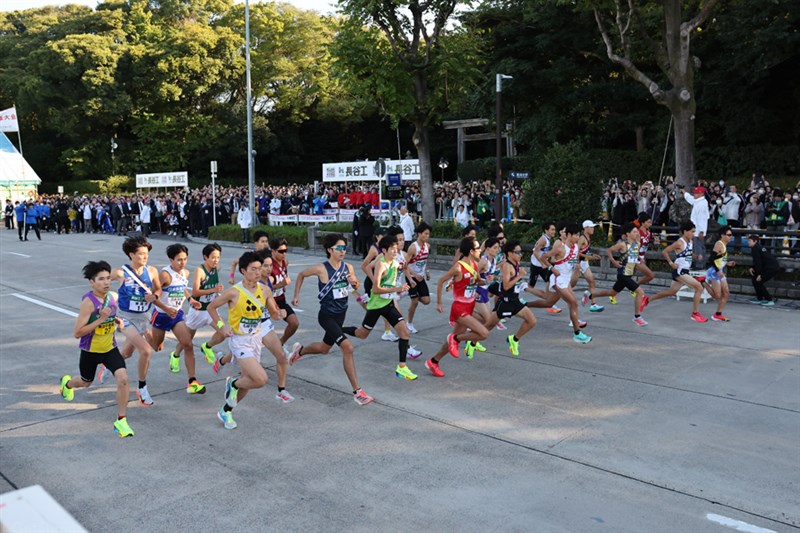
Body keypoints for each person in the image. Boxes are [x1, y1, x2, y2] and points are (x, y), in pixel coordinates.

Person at [289, 234, 375, 405]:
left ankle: (300, 351)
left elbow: (356, 286)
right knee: (348, 347)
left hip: (341, 315)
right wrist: (296, 295)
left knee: (323, 348)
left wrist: (354, 283)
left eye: (345, 248)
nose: (343, 251)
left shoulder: (348, 267)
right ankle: (358, 392)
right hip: (327, 316)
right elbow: (301, 275)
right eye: (339, 248)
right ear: (330, 250)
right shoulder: (322, 268)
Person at [60, 261, 133, 438]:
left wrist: (116, 321)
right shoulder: (88, 303)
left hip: (110, 349)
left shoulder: (113, 297)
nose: (106, 282)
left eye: (108, 278)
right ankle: (67, 384)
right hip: (90, 351)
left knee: (123, 379)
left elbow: (110, 315)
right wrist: (101, 319)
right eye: (101, 279)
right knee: (86, 382)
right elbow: (77, 332)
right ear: (92, 282)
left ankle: (121, 421)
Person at [206, 252, 270, 430]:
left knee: (248, 381)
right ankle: (232, 383)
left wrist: (278, 313)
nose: (258, 273)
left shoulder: (265, 290)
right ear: (243, 270)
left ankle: (226, 411)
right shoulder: (234, 292)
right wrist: (221, 326)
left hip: (256, 338)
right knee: (261, 379)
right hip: (239, 340)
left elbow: (272, 311)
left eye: (260, 269)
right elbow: (211, 307)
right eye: (254, 269)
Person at [345, 235, 416, 380]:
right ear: (384, 250)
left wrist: (402, 288)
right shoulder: (381, 264)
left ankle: (402, 367)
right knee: (362, 334)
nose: (395, 252)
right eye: (392, 249)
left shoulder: (395, 263)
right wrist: (396, 289)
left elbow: (391, 283)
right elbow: (376, 289)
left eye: (397, 249)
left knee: (405, 332)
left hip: (388, 304)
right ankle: (337, 329)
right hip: (377, 305)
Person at [425, 237, 490, 378]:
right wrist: (439, 303)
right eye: (478, 248)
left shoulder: (474, 264)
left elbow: (475, 282)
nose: (480, 250)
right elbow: (441, 281)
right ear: (471, 251)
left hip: (470, 307)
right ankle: (455, 339)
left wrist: (484, 281)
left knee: (453, 340)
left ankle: (433, 361)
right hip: (459, 309)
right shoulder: (458, 267)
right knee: (484, 333)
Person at [109, 236, 161, 405]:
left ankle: (108, 364)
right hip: (125, 318)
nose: (145, 257)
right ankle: (142, 387)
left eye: (146, 254)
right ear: (131, 255)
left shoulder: (151, 271)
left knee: (127, 353)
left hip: (143, 319)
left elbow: (158, 289)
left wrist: (155, 296)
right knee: (146, 351)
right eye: (141, 254)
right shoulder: (120, 273)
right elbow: (101, 280)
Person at [148, 244, 205, 394]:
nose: (183, 263)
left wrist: (191, 299)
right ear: (171, 260)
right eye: (179, 260)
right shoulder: (165, 275)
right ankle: (145, 334)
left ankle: (192, 381)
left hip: (177, 315)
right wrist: (166, 309)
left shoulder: (185, 273)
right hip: (161, 314)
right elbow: (153, 296)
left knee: (188, 344)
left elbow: (183, 288)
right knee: (157, 347)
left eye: (185, 259)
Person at [641, 221, 708, 322]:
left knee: (671, 292)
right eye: (692, 232)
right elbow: (665, 251)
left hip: (685, 271)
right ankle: (695, 314)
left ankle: (647, 299)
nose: (693, 234)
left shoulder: (690, 242)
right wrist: (671, 263)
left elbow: (688, 255)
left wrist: (696, 256)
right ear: (685, 231)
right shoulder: (679, 242)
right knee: (699, 288)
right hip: (680, 272)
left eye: (694, 232)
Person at [584, 223, 648, 327]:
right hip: (623, 274)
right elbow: (609, 251)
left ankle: (590, 295)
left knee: (611, 292)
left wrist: (640, 259)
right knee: (640, 292)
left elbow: (634, 256)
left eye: (637, 232)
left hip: (629, 274)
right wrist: (614, 262)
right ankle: (637, 317)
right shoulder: (622, 244)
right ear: (628, 234)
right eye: (634, 232)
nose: (637, 234)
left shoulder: (637, 243)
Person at [483, 239, 539, 353]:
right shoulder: (507, 266)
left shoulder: (516, 263)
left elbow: (514, 283)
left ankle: (514, 339)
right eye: (517, 252)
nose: (520, 254)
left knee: (532, 321)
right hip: (505, 302)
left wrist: (521, 283)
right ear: (509, 253)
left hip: (515, 300)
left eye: (520, 252)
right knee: (487, 327)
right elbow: (506, 286)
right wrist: (520, 277)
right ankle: (471, 341)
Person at [174, 243, 224, 367]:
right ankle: (175, 355)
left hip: (210, 310)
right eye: (213, 257)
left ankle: (207, 346)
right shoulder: (200, 270)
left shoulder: (217, 268)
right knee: (187, 339)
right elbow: (195, 291)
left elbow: (215, 285)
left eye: (218, 257)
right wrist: (214, 290)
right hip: (197, 311)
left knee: (223, 332)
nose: (216, 260)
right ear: (205, 257)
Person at [541, 224, 592, 343]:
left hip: (566, 278)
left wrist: (576, 266)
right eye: (576, 235)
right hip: (558, 278)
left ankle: (525, 305)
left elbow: (573, 260)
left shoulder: (575, 247)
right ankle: (577, 332)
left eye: (579, 235)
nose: (577, 237)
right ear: (568, 234)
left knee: (549, 302)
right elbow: (545, 257)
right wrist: (552, 268)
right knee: (573, 302)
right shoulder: (559, 246)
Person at [270, 237, 299, 349]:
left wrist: (282, 288)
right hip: (267, 302)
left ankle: (281, 343)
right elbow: (263, 288)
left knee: (294, 323)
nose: (284, 254)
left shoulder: (285, 263)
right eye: (281, 251)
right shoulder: (269, 265)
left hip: (280, 300)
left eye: (285, 251)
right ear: (273, 251)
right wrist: (280, 284)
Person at [525, 222, 561, 314]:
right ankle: (523, 288)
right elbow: (535, 252)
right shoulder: (543, 239)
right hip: (536, 265)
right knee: (531, 286)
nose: (554, 231)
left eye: (554, 229)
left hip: (543, 265)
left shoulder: (548, 239)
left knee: (550, 281)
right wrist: (542, 263)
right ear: (546, 230)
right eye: (552, 230)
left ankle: (549, 303)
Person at [571, 220, 605, 313]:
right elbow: (576, 252)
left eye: (593, 227)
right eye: (591, 227)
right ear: (586, 228)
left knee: (592, 283)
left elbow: (585, 251)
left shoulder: (588, 237)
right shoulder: (582, 238)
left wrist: (592, 255)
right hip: (579, 264)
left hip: (585, 264)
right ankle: (553, 300)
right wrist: (579, 263)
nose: (593, 229)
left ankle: (593, 304)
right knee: (570, 286)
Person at [404, 221, 432, 334]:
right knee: (414, 301)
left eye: (428, 234)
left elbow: (424, 261)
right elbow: (404, 265)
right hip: (411, 276)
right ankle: (409, 323)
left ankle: (410, 293)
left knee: (426, 300)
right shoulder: (412, 248)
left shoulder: (427, 246)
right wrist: (413, 276)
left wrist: (427, 271)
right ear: (419, 234)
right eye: (425, 233)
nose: (426, 236)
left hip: (421, 277)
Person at [704, 226, 736, 321]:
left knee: (726, 293)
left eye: (731, 235)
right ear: (722, 235)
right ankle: (702, 282)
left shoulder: (724, 245)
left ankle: (718, 314)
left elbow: (719, 259)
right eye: (729, 235)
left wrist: (727, 263)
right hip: (714, 272)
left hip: (719, 271)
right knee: (716, 296)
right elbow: (711, 259)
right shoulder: (719, 244)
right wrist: (718, 271)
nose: (730, 237)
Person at [748, 234, 779, 306]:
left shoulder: (756, 248)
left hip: (771, 268)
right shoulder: (756, 248)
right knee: (755, 280)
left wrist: (760, 274)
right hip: (767, 267)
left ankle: (769, 300)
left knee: (759, 281)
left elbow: (758, 263)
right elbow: (758, 262)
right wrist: (751, 267)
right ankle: (760, 298)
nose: (748, 242)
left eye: (749, 241)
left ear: (755, 241)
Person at [683, 186, 709, 268]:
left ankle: (700, 265)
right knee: (697, 248)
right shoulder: (698, 201)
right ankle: (699, 264)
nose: (694, 194)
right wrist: (684, 192)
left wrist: (702, 231)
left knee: (699, 249)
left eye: (696, 193)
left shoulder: (702, 204)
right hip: (696, 230)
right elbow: (690, 199)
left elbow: (703, 219)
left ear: (701, 193)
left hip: (698, 231)